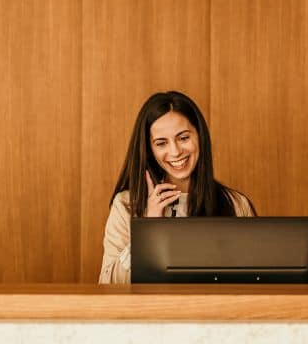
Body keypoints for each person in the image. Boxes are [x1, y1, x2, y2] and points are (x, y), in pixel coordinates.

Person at [98, 91, 256, 284]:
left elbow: (253, 282)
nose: (175, 151)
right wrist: (148, 229)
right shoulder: (125, 205)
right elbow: (108, 285)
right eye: (161, 143)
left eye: (183, 138)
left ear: (200, 136)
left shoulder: (236, 204)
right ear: (150, 150)